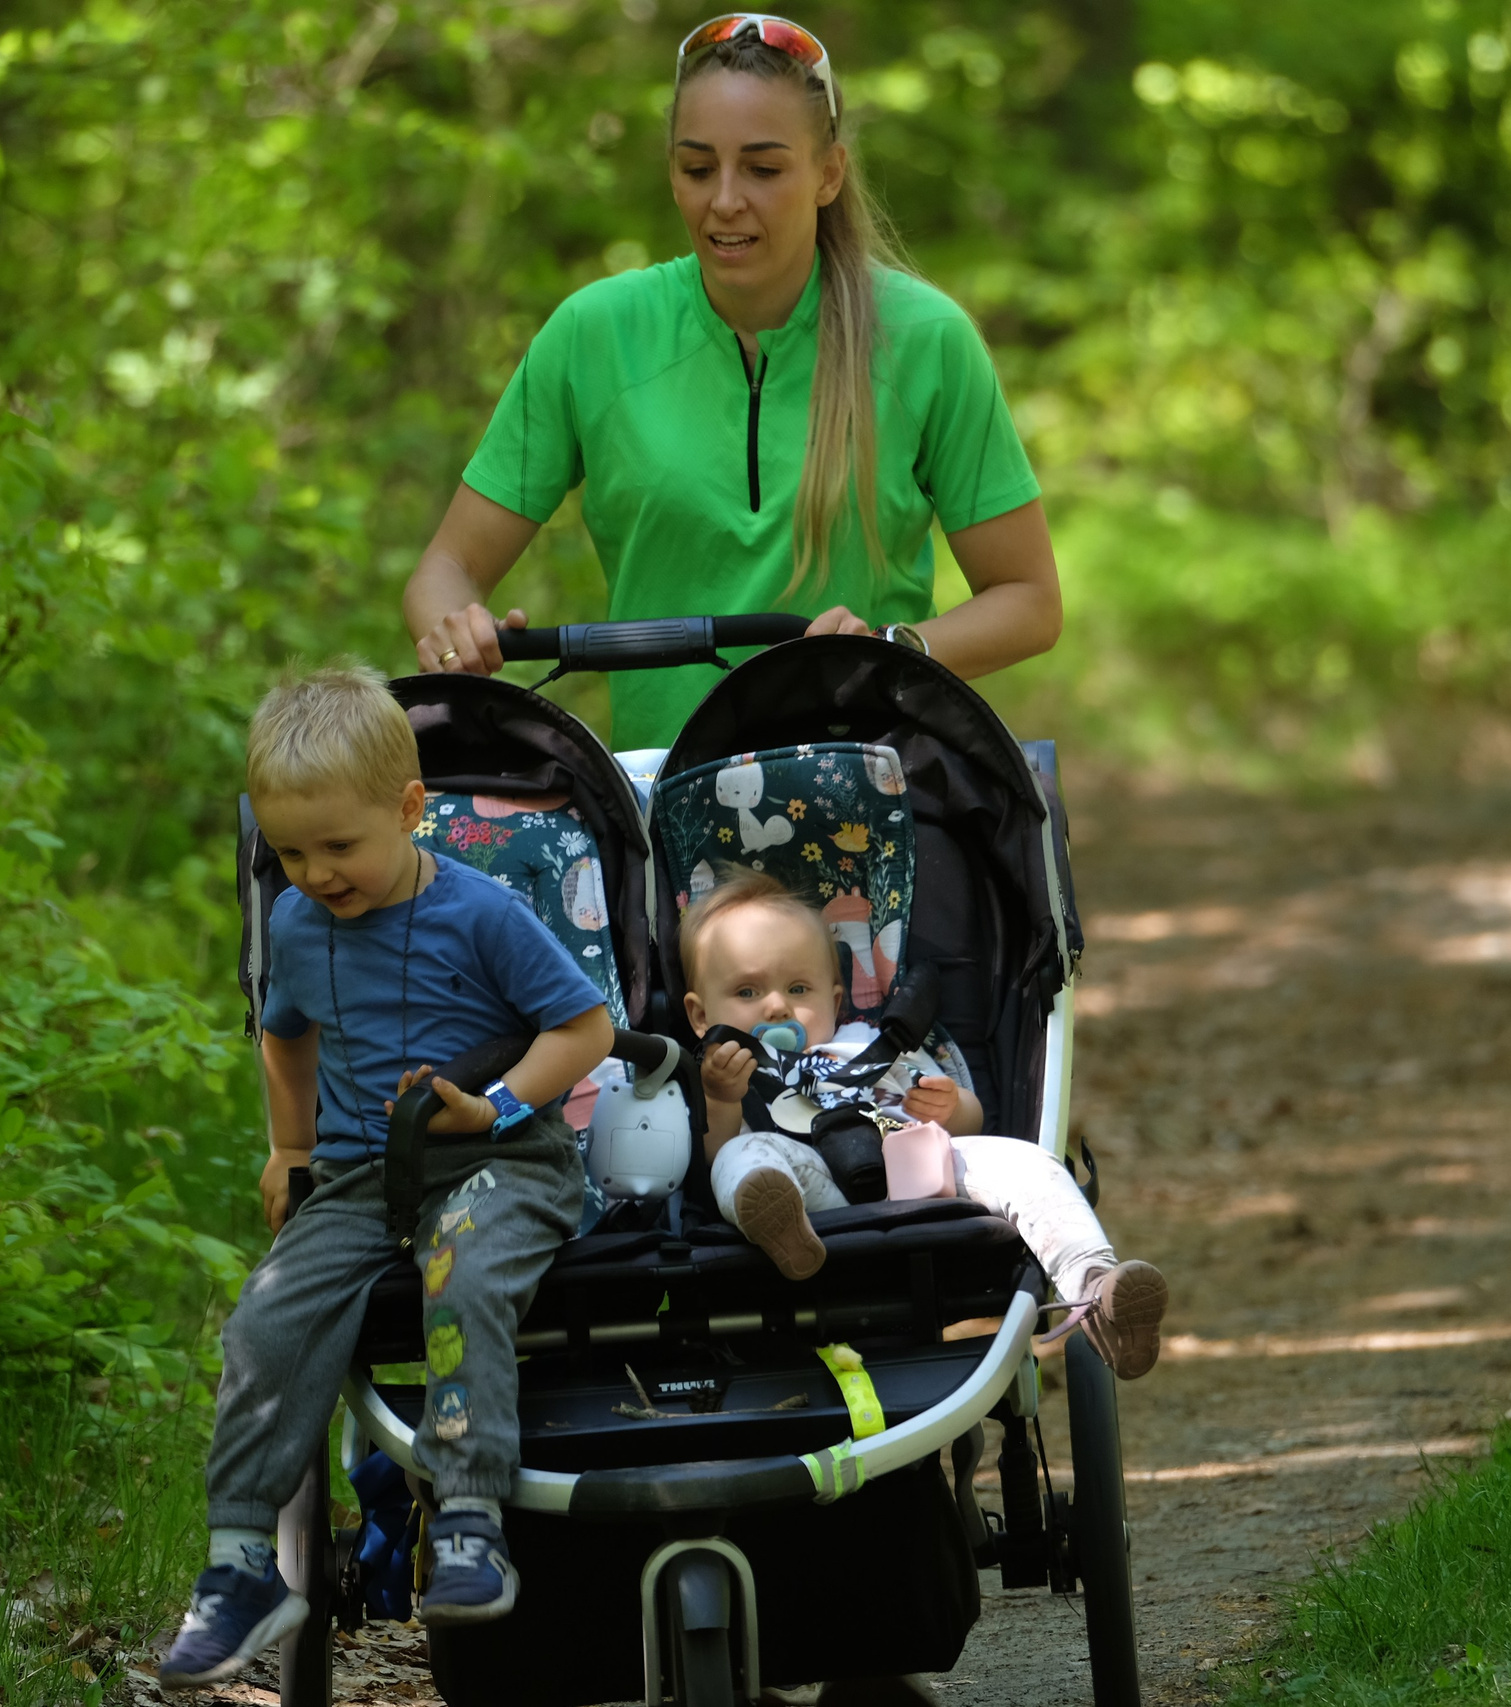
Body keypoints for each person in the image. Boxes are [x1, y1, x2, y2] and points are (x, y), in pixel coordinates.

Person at [404, 12, 1065, 752]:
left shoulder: (926, 340)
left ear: (827, 174)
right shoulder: (593, 334)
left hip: (872, 793)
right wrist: (454, 625)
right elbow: (447, 568)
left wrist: (892, 647)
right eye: (697, 168)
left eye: (763, 168)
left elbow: (1029, 600)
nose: (724, 200)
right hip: (665, 810)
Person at [158, 664, 613, 1686]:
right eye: (287, 852)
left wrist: (494, 1105)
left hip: (502, 1158)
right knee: (264, 1321)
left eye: (338, 846)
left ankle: (466, 1516)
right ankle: (242, 1564)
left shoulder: (482, 914)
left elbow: (582, 1027)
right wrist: (289, 1150)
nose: (315, 873)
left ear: (410, 810)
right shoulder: (296, 926)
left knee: (465, 1267)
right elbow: (285, 1039)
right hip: (364, 1175)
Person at [680, 872, 1167, 1379]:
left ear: (835, 996)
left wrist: (952, 1109)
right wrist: (721, 1098)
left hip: (914, 1173)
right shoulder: (722, 1073)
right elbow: (711, 1156)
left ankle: (1095, 1288)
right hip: (812, 1195)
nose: (777, 1005)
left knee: (1029, 1163)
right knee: (745, 1157)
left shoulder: (865, 1043)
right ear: (699, 1014)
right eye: (746, 990)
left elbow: (966, 1124)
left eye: (798, 987)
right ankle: (781, 1228)